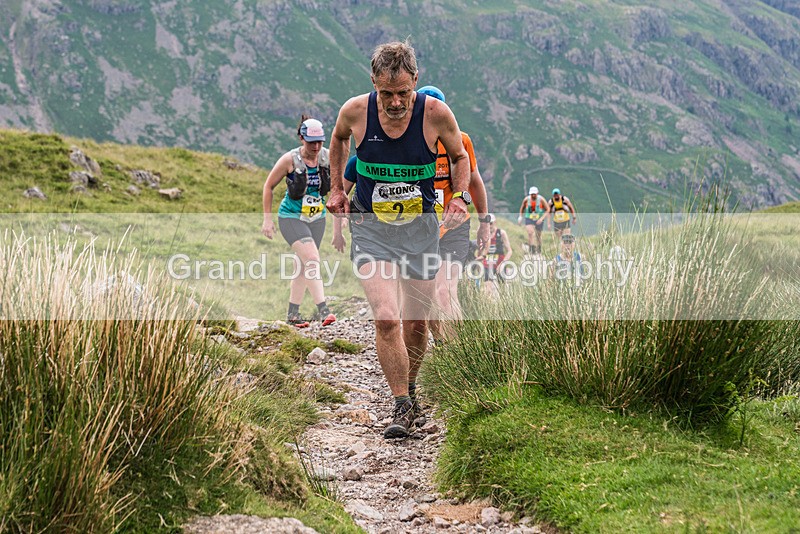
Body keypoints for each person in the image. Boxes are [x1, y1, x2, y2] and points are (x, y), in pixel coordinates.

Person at [326, 40, 471, 439]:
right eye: (386, 93)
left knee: (416, 321)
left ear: (416, 83)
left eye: (403, 93)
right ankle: (401, 403)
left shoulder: (435, 114)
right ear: (373, 83)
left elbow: (461, 158)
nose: (394, 103)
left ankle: (411, 388)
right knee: (387, 316)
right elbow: (337, 140)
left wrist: (459, 198)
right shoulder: (355, 111)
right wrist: (336, 188)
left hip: (420, 231)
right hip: (371, 229)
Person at [416, 85, 490, 342]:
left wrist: (485, 223)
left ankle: (458, 354)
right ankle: (446, 348)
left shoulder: (461, 140)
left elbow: (475, 182)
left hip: (455, 228)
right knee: (425, 297)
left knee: (445, 291)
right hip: (419, 231)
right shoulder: (407, 144)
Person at [262, 116, 336, 328]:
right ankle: (324, 310)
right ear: (301, 138)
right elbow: (268, 186)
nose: (316, 146)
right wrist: (267, 220)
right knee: (312, 259)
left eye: (320, 142)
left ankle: (293, 314)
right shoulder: (289, 160)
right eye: (311, 142)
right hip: (291, 217)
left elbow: (339, 184)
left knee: (304, 266)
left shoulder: (328, 158)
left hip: (317, 218)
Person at [476, 214, 512, 295]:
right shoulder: (482, 234)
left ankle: (502, 305)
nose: (489, 225)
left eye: (491, 223)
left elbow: (509, 251)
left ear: (495, 222)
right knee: (488, 288)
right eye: (487, 223)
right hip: (487, 264)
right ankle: (489, 306)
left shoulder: (501, 233)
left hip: (500, 264)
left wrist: (503, 263)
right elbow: (480, 249)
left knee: (502, 289)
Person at [518, 186, 550, 256]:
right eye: (531, 194)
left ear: (537, 193)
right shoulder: (526, 200)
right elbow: (522, 208)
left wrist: (542, 218)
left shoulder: (541, 199)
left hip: (539, 219)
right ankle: (531, 249)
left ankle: (539, 249)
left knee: (538, 235)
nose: (533, 195)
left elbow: (548, 209)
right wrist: (520, 216)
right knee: (530, 233)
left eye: (534, 194)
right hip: (529, 218)